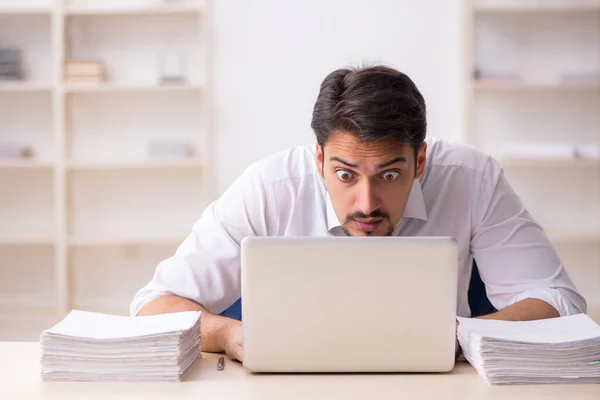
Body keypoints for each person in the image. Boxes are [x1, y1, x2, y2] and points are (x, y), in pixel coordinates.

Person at [131, 65, 586, 363]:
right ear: (318, 160)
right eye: (345, 175)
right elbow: (153, 306)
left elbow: (560, 302)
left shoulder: (471, 177)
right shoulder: (268, 188)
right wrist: (229, 334)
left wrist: (457, 334)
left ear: (420, 161)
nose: (366, 204)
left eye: (389, 176)